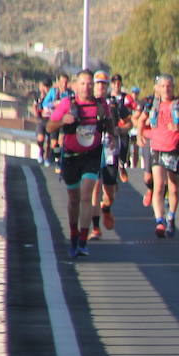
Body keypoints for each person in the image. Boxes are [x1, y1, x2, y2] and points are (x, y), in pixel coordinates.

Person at [46, 69, 113, 258]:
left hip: (92, 154)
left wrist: (113, 137)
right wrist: (62, 121)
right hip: (71, 156)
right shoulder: (68, 103)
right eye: (83, 83)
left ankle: (83, 240)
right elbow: (50, 125)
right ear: (76, 86)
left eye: (90, 83)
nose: (87, 87)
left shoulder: (101, 105)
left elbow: (109, 124)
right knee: (74, 199)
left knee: (86, 196)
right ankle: (74, 233)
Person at [136, 73, 179, 237]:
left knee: (174, 188)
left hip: (175, 149)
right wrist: (140, 136)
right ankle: (159, 221)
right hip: (157, 148)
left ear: (173, 87)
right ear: (157, 88)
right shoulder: (152, 105)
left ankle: (171, 217)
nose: (166, 89)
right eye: (162, 86)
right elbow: (141, 120)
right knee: (159, 186)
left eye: (168, 86)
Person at [89, 71, 131, 239]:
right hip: (92, 150)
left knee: (109, 193)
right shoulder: (87, 103)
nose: (100, 86)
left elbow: (129, 122)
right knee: (94, 189)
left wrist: (120, 130)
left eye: (103, 84)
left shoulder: (114, 104)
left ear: (107, 87)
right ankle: (95, 228)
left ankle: (106, 209)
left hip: (109, 150)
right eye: (98, 83)